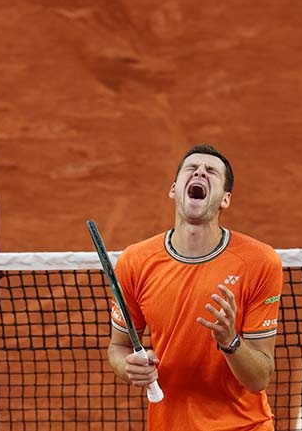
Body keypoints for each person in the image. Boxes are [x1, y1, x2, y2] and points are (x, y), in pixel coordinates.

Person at [108, 144, 283, 430]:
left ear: (225, 200)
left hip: (244, 425)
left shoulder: (259, 262)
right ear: (174, 189)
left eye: (211, 171)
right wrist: (129, 367)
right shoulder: (135, 261)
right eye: (192, 168)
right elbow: (118, 346)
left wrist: (230, 342)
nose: (200, 171)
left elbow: (258, 379)